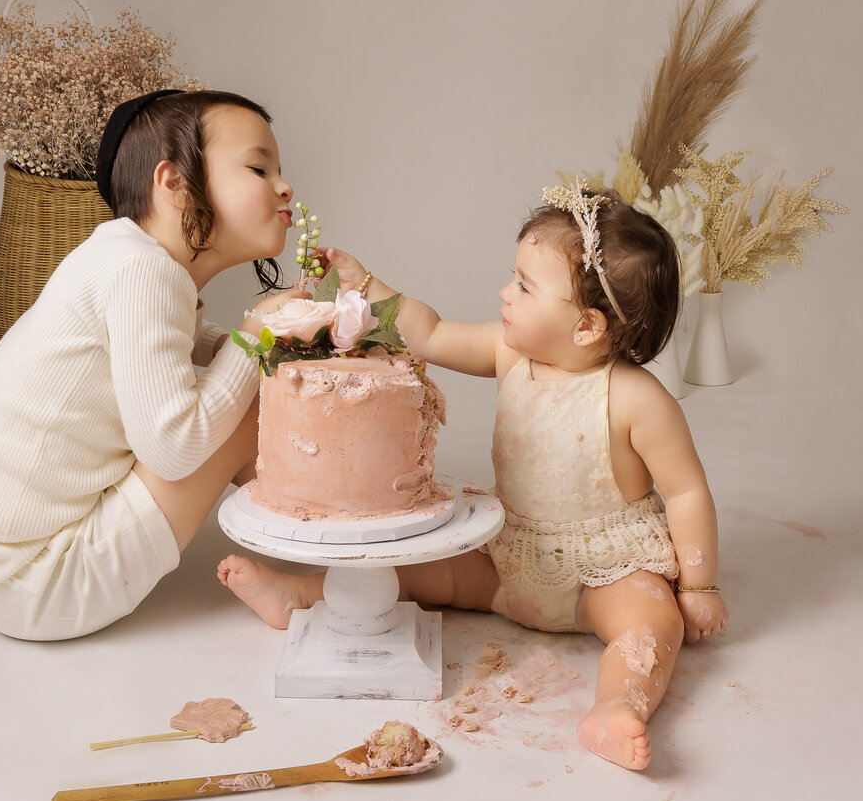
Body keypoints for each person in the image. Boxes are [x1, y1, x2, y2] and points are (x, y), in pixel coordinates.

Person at [218, 183, 729, 770]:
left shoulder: (638, 399)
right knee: (406, 567)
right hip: (507, 559)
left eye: (525, 286)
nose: (504, 293)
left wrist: (698, 586)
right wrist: (367, 286)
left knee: (650, 622)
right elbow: (429, 334)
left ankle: (617, 707)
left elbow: (688, 491)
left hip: (604, 570)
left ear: (587, 326)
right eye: (514, 278)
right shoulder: (508, 353)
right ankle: (307, 598)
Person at [0, 89, 307, 641]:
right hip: (46, 579)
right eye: (258, 167)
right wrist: (258, 334)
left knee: (248, 378)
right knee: (247, 397)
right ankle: (349, 552)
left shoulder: (124, 258)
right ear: (173, 183)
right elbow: (174, 446)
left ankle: (330, 530)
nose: (285, 186)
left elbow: (177, 348)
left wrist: (259, 344)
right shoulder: (142, 273)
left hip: (7, 578)